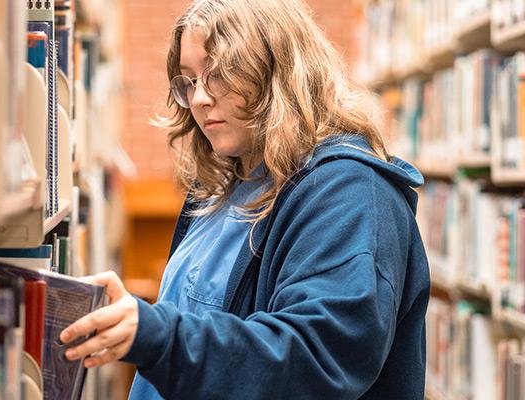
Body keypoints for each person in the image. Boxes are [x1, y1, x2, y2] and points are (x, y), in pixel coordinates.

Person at [60, 0, 430, 398]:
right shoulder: (226, 184)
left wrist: (158, 335)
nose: (200, 98)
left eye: (217, 74)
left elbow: (314, 360)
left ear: (276, 70)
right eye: (189, 80)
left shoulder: (351, 195)